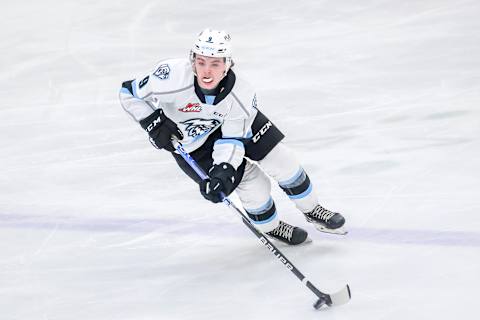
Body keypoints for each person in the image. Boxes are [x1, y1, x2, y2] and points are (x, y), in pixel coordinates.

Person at [119, 28, 346, 245]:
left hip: (232, 127)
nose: (207, 71)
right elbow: (128, 93)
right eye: (201, 62)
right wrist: (152, 122)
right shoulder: (171, 77)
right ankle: (272, 228)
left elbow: (232, 140)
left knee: (281, 159)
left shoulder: (241, 94)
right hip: (194, 143)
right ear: (193, 61)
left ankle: (312, 208)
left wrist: (224, 169)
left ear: (227, 64)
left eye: (215, 64)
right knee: (253, 183)